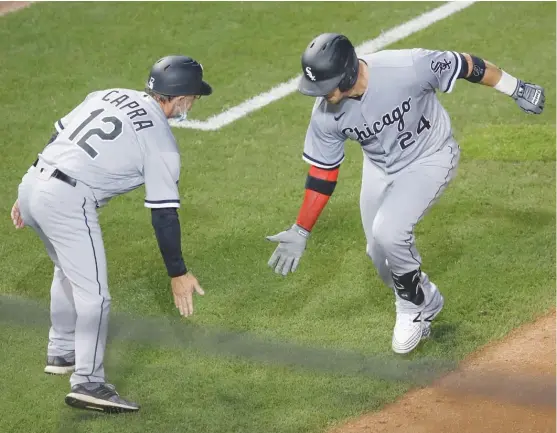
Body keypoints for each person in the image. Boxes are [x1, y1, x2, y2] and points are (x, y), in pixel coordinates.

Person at [266, 33, 545, 355]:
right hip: (381, 167)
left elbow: (467, 65)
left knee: (390, 232)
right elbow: (322, 173)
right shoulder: (326, 115)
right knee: (377, 251)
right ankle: (426, 298)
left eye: (325, 85)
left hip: (431, 157)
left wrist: (517, 88)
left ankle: (412, 307)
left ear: (347, 74)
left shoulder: (407, 67)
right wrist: (302, 229)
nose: (320, 94)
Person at [10, 55, 211, 413]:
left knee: (68, 270)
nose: (192, 103)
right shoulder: (161, 141)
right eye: (192, 96)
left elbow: (60, 134)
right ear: (179, 97)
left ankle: (62, 351)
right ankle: (89, 382)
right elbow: (164, 214)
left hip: (33, 181)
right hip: (67, 200)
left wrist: (28, 194)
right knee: (95, 294)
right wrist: (177, 272)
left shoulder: (108, 94)